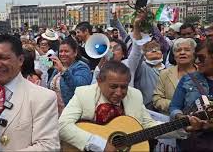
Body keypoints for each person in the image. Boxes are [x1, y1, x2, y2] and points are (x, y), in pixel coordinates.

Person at [59, 61, 202, 151]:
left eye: (124, 87)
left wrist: (183, 127)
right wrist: (99, 144)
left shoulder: (135, 95)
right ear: (99, 81)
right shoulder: (84, 94)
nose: (119, 92)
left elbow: (148, 126)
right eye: (113, 86)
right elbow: (62, 125)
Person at [169, 38, 213, 151]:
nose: (197, 61)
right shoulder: (188, 79)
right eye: (196, 57)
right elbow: (174, 107)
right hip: (191, 144)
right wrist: (182, 118)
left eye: (202, 58)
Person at [48, 37, 92, 114]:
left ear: (75, 53)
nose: (62, 54)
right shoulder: (58, 67)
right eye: (61, 51)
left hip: (71, 112)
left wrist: (63, 70)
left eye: (66, 51)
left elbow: (80, 87)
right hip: (55, 112)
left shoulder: (81, 67)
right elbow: (49, 86)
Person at [153, 38, 197, 114]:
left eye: (187, 50)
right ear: (174, 55)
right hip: (173, 120)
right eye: (178, 50)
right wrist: (176, 106)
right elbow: (157, 99)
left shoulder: (203, 72)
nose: (182, 53)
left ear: (194, 53)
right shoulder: (164, 74)